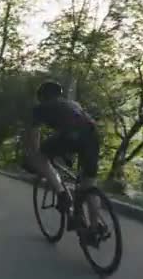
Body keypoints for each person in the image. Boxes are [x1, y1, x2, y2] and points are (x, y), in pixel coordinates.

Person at [22, 80, 102, 241]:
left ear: (42, 97)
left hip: (71, 136)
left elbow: (33, 137)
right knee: (88, 185)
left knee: (40, 156)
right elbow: (78, 124)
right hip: (93, 136)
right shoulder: (73, 104)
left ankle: (62, 193)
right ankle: (95, 228)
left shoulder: (40, 109)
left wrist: (36, 156)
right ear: (59, 94)